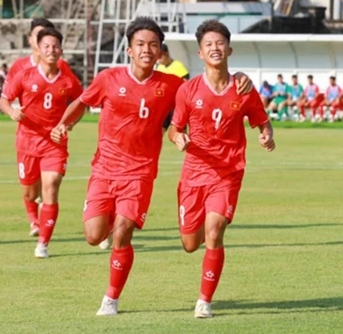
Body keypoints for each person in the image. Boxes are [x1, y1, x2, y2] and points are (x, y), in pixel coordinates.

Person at [50, 17, 254, 316]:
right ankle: (107, 237)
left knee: (122, 230)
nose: (147, 50)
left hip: (140, 172)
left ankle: (111, 299)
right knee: (94, 235)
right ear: (129, 50)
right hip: (104, 169)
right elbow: (82, 103)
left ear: (160, 52)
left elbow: (208, 87)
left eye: (153, 45)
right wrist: (63, 125)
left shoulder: (172, 85)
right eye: (141, 44)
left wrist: (240, 77)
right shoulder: (109, 78)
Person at [168, 19, 275, 318]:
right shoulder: (187, 90)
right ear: (200, 53)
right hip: (194, 174)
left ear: (229, 48)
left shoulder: (243, 88)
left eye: (219, 43)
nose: (215, 48)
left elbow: (261, 120)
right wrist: (178, 138)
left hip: (228, 172)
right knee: (191, 243)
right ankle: (198, 236)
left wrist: (266, 134)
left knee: (215, 232)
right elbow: (173, 128)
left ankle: (204, 300)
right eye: (208, 45)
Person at [0, 28, 83, 257]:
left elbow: (80, 104)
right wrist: (12, 112)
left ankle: (43, 244)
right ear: (38, 48)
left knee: (51, 186)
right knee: (29, 192)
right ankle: (33, 219)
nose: (51, 50)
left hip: (54, 144)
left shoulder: (68, 79)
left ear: (61, 50)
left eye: (55, 46)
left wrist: (67, 125)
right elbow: (4, 99)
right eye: (47, 46)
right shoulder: (25, 75)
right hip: (27, 143)